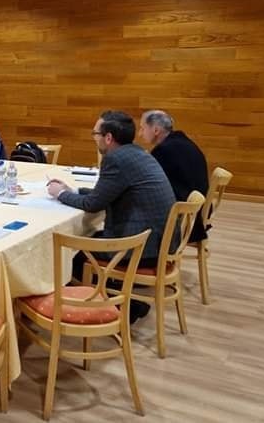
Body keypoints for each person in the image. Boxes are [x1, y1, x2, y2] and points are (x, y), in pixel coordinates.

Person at [47, 110, 176, 323]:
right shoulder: (136, 153)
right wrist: (74, 191)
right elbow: (106, 194)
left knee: (69, 253)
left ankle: (120, 307)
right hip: (159, 241)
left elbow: (93, 205)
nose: (94, 138)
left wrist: (60, 194)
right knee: (85, 238)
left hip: (142, 246)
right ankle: (123, 301)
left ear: (108, 137)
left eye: (95, 134)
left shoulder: (115, 159)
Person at [140, 110, 210, 242]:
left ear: (156, 130)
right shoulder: (181, 142)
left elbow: (149, 184)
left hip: (187, 218)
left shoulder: (164, 150)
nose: (140, 133)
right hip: (198, 210)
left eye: (142, 128)